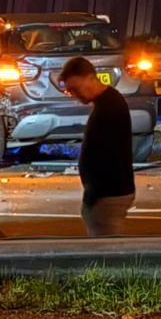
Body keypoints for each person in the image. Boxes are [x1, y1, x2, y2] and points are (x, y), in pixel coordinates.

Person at [59, 56, 135, 236]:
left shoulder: (110, 107)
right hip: (106, 191)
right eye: (70, 91)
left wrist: (94, 193)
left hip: (108, 193)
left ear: (91, 78)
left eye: (75, 88)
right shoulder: (107, 104)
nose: (75, 95)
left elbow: (107, 155)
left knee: (106, 249)